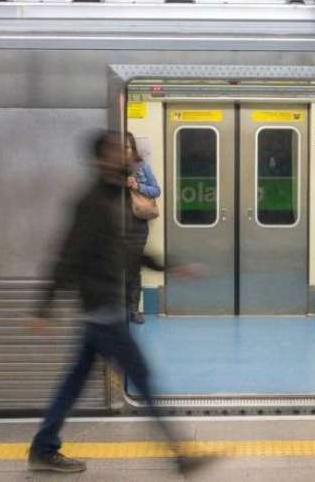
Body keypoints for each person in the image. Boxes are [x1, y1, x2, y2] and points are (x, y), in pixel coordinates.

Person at [28, 130, 207, 475]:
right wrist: (43, 307)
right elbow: (68, 255)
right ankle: (182, 455)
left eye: (125, 148)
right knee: (143, 376)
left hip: (106, 305)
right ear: (100, 159)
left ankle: (43, 447)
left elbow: (128, 250)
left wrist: (171, 266)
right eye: (115, 150)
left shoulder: (116, 196)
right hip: (102, 307)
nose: (123, 153)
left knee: (74, 382)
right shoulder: (93, 202)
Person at [125, 132, 161, 324]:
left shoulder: (142, 167)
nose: (125, 151)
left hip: (137, 224)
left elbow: (156, 190)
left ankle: (133, 309)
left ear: (133, 149)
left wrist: (137, 186)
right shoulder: (111, 171)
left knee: (133, 267)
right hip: (116, 225)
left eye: (128, 147)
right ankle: (119, 308)